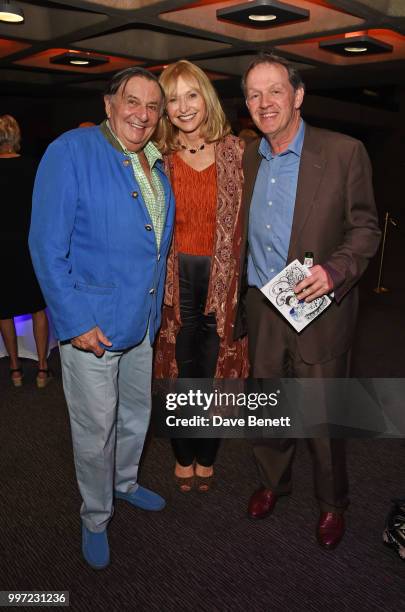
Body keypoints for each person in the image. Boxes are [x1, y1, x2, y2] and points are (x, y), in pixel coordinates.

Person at [29, 67, 175, 569]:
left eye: (152, 106)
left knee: (135, 415)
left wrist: (155, 315)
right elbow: (47, 247)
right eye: (132, 101)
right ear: (109, 104)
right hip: (91, 327)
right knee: (95, 429)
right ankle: (95, 515)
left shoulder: (154, 161)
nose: (142, 113)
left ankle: (126, 482)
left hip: (140, 321)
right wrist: (73, 321)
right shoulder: (71, 151)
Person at [236, 53, 381, 549]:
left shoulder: (343, 152)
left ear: (298, 96)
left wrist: (334, 270)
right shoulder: (248, 157)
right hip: (263, 304)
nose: (264, 103)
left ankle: (331, 504)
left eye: (274, 90)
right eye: (254, 95)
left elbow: (365, 228)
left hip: (320, 306)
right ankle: (273, 481)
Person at [154, 60, 249, 492]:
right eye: (172, 99)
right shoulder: (156, 157)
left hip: (222, 283)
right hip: (174, 282)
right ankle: (182, 451)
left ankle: (207, 451)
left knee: (214, 368)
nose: (183, 106)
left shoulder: (238, 152)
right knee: (178, 366)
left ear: (206, 97)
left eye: (191, 94)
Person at [0, 114, 51, 388]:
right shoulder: (33, 167)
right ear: (16, 137)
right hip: (29, 246)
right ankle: (43, 368)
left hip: (2, 249)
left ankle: (15, 369)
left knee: (4, 310)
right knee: (38, 308)